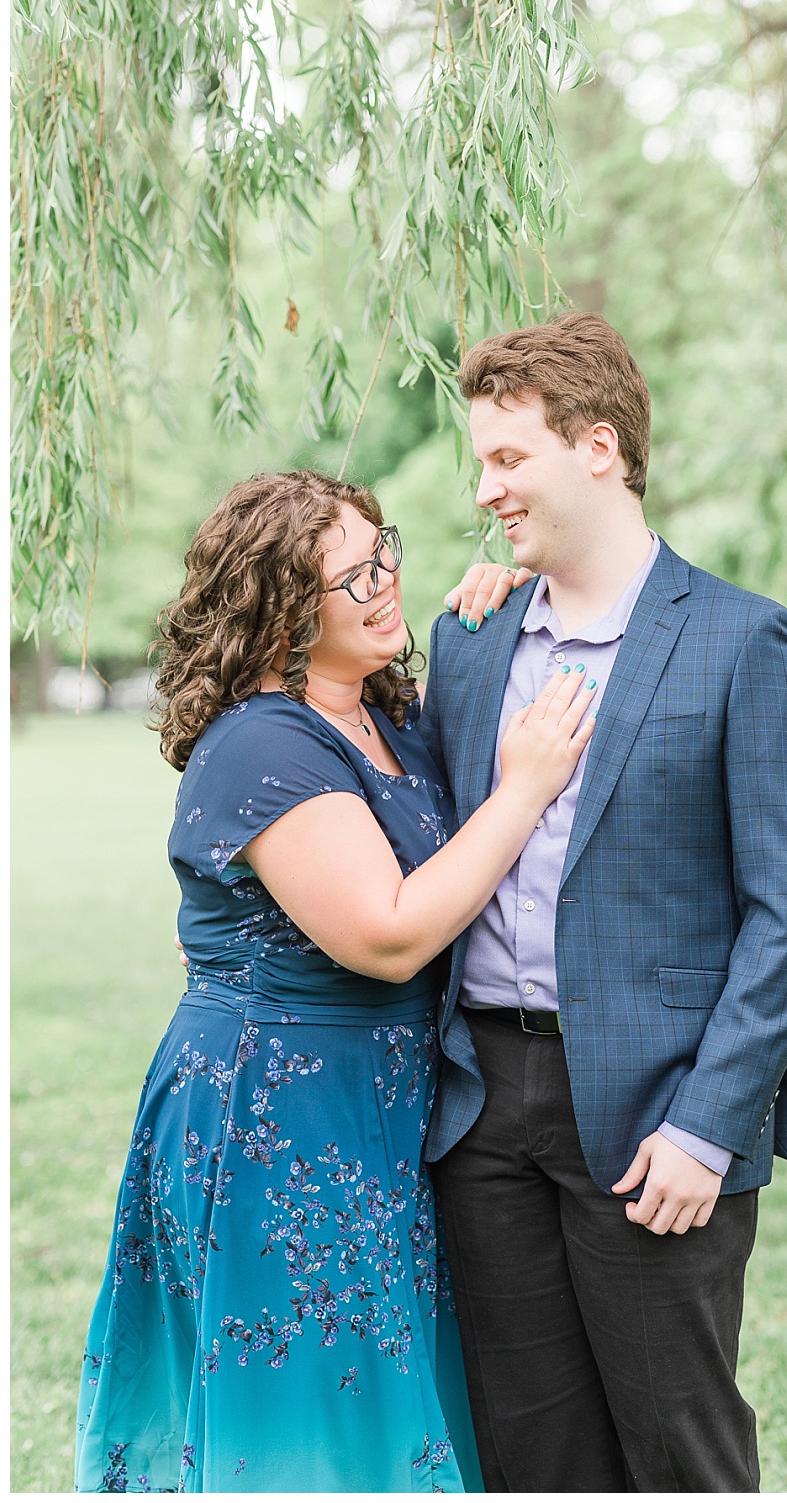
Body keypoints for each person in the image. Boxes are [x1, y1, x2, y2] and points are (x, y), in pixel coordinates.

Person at [75, 471, 598, 1492]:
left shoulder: (385, 714)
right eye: (349, 575)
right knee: (304, 1411)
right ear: (278, 612)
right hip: (274, 1117)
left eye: (383, 550)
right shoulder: (263, 742)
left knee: (375, 1397)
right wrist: (531, 784)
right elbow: (390, 934)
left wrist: (490, 616)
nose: (384, 580)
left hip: (375, 1106)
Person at [419, 312, 787, 1491]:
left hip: (659, 1113)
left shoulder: (741, 643)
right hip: (484, 1107)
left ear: (598, 447)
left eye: (509, 458)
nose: (486, 488)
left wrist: (710, 1123)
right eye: (480, 462)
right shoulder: (472, 637)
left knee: (679, 1448)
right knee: (529, 1452)